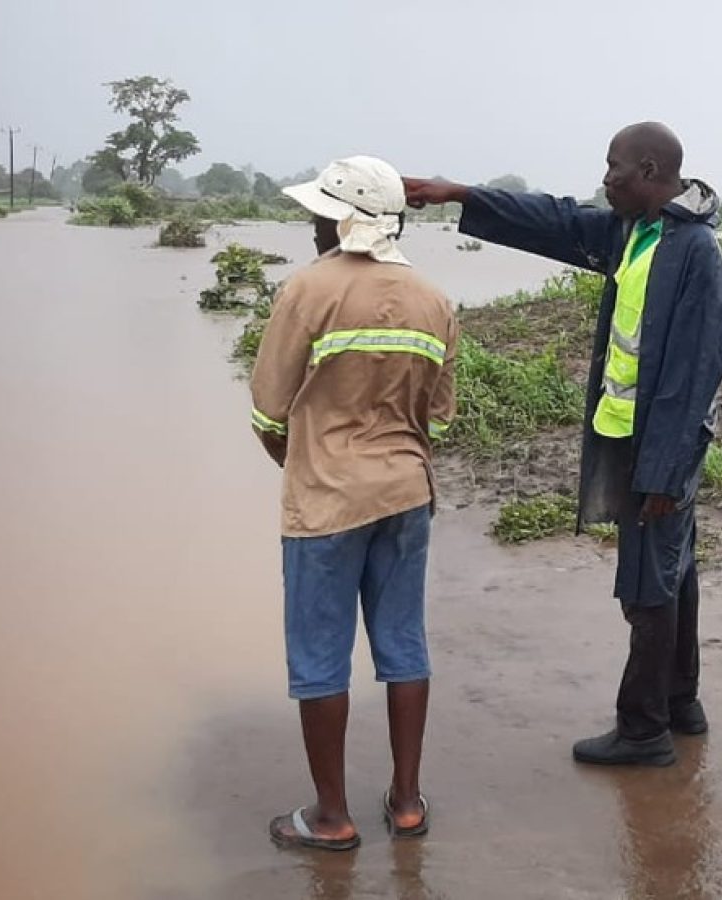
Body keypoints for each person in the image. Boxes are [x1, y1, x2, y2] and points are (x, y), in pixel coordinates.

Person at [405, 122, 722, 767]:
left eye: (612, 166)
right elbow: (554, 221)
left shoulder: (695, 254)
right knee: (676, 570)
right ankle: (680, 702)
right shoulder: (635, 232)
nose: (603, 178)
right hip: (629, 435)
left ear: (646, 169)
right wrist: (461, 194)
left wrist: (665, 475)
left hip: (660, 450)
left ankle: (643, 731)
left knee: (649, 584)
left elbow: (695, 373)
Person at [251, 155, 459, 849]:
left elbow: (268, 412)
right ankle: (405, 802)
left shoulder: (308, 290)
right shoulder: (434, 299)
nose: (311, 225)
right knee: (404, 646)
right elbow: (439, 413)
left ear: (341, 220)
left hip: (325, 502)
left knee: (318, 658)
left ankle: (332, 817)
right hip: (405, 493)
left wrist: (304, 461)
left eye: (318, 213)